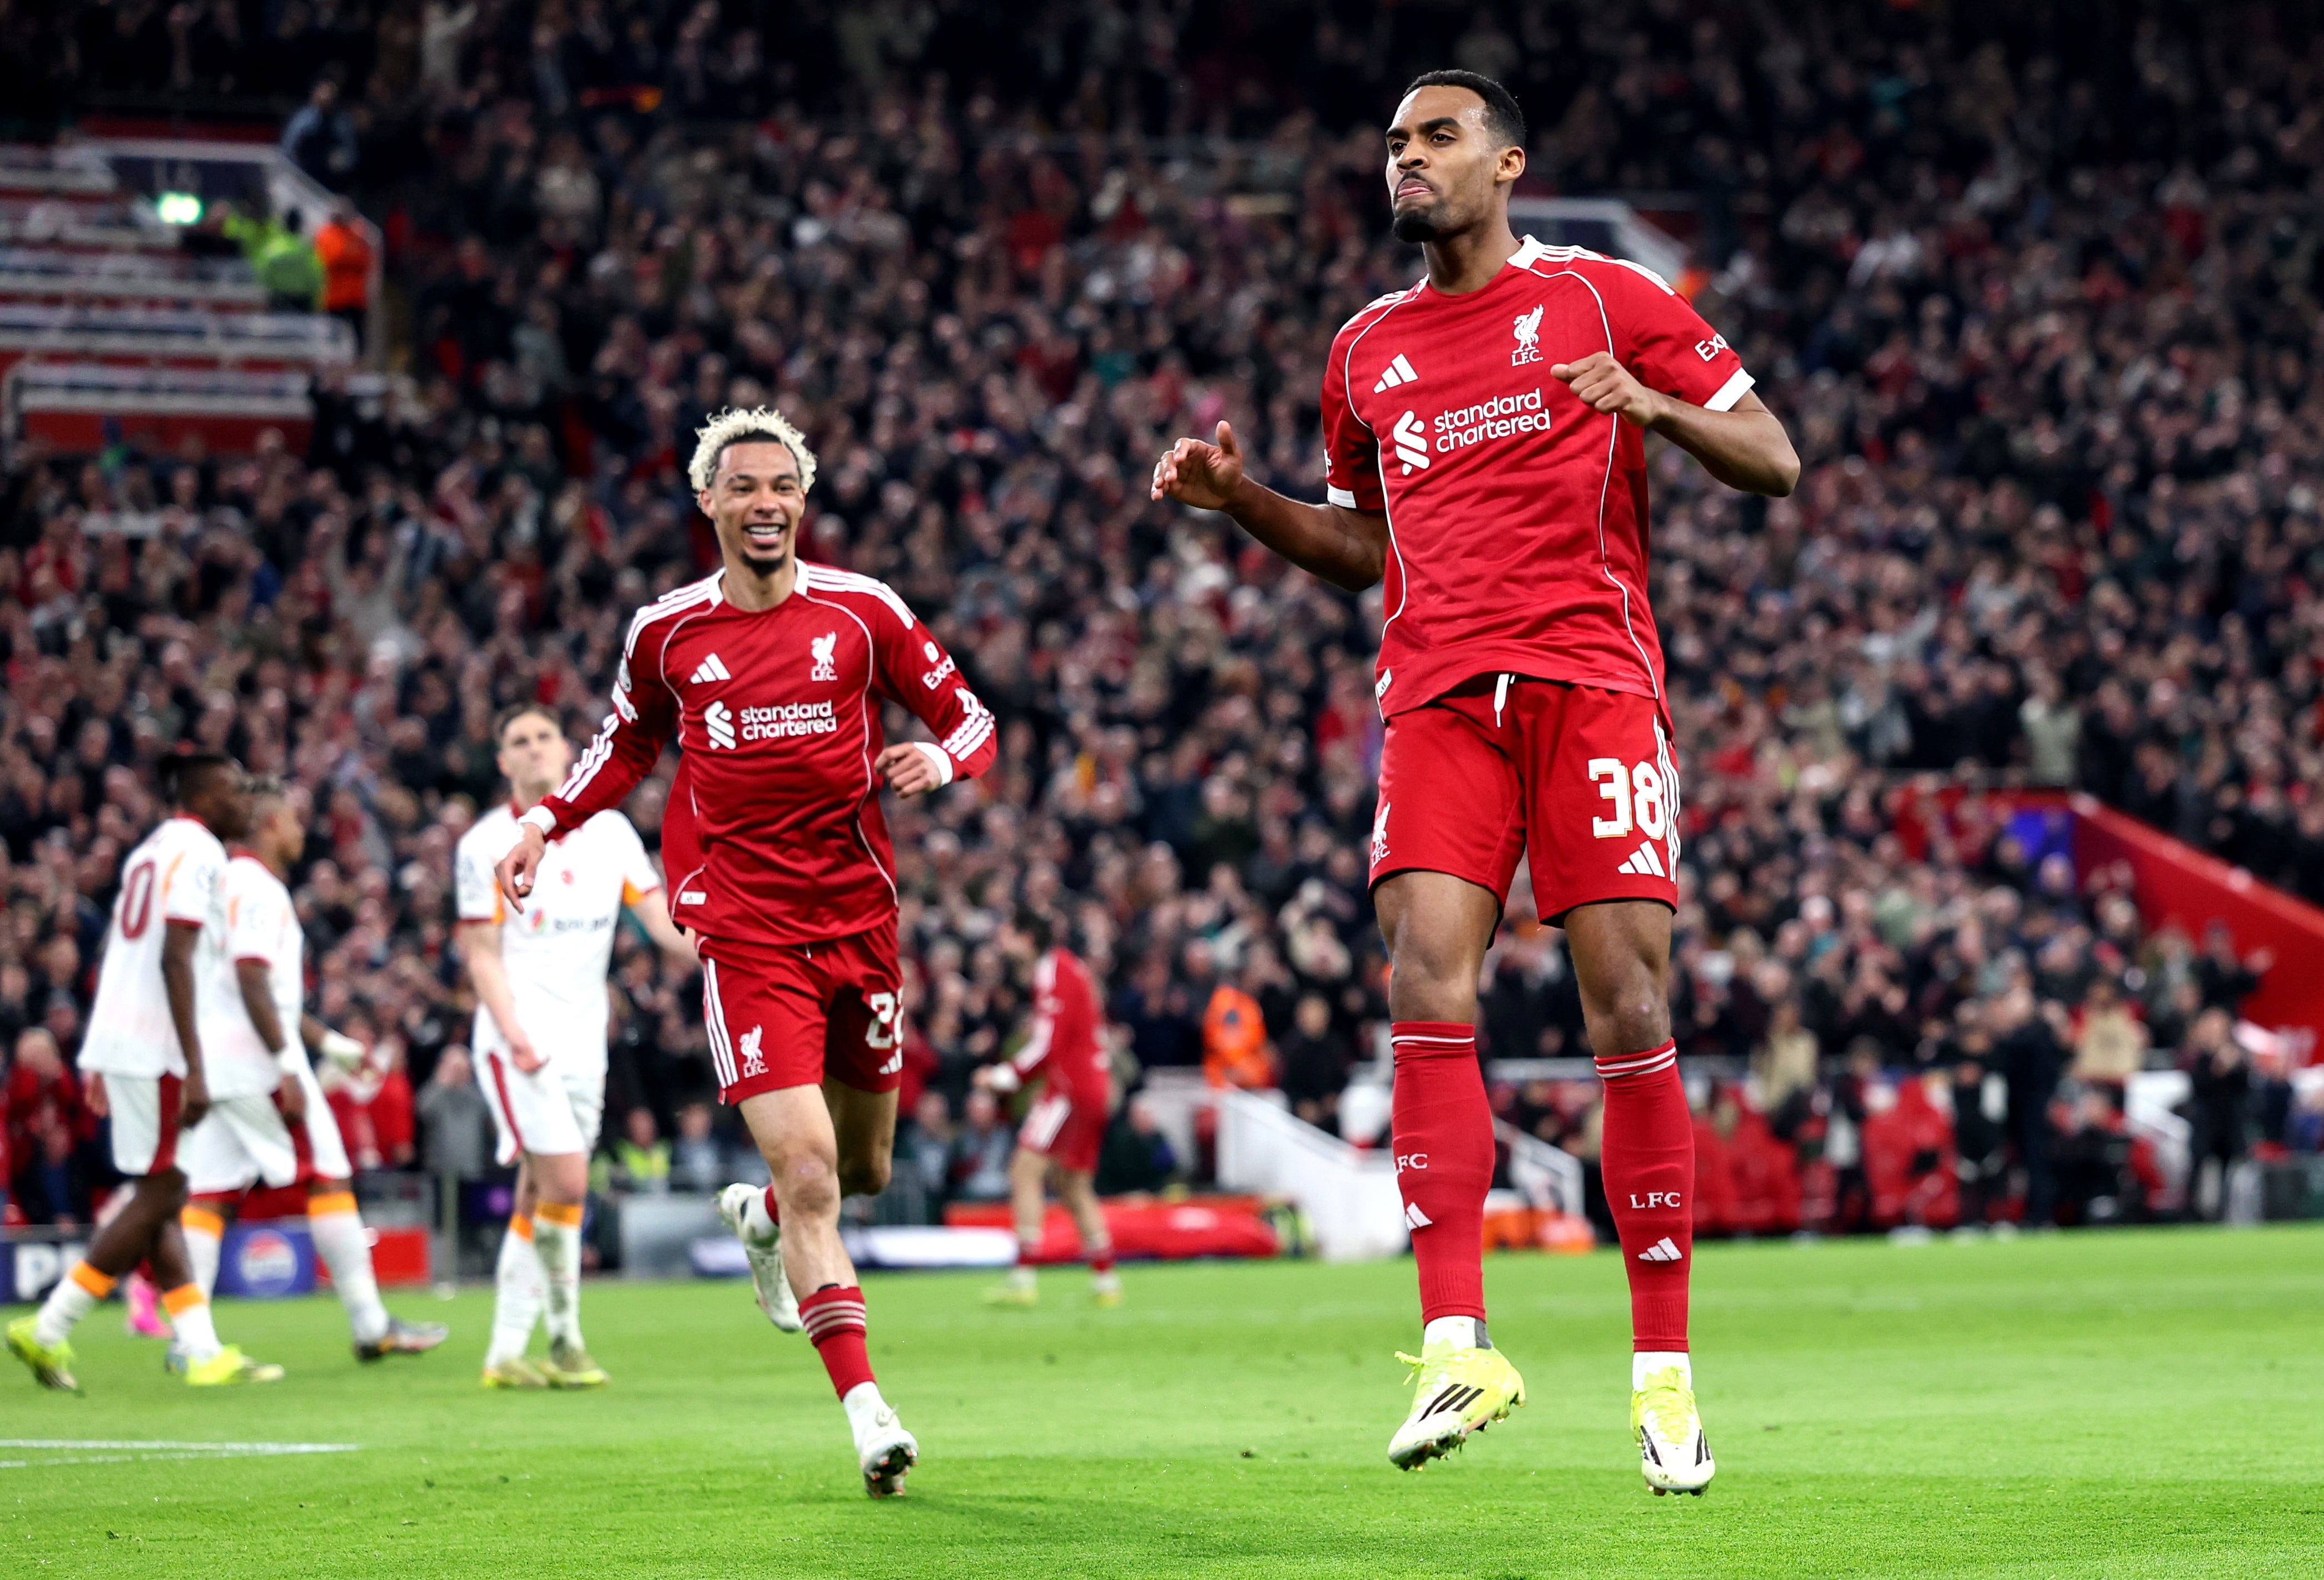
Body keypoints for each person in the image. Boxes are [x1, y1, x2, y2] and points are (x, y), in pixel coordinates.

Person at [1152, 70, 1797, 1489]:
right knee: (1420, 973)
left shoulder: (1603, 300)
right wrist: (1240, 501)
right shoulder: (1364, 350)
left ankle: (1665, 1375)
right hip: (1440, 696)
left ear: (1508, 162)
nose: (1407, 160)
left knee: (1626, 998)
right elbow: (1361, 543)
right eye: (1393, 142)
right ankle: (1459, 1341)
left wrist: (1655, 410)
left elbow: (1775, 456)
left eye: (1436, 138)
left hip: (1596, 686)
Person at [493, 406, 996, 1497]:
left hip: (860, 924)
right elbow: (621, 744)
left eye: (782, 486)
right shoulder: (666, 632)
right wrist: (546, 821)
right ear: (708, 502)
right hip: (744, 930)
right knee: (813, 1170)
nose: (764, 502)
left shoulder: (863, 613)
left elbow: (970, 718)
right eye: (743, 486)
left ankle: (759, 1219)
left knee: (857, 1170)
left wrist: (941, 766)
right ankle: (868, 1412)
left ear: (799, 503)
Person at [8, 754, 281, 1390]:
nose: (247, 799)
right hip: (155, 1049)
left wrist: (97, 1053)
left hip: (122, 1042)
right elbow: (175, 960)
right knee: (162, 1193)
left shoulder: (149, 851)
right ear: (206, 795)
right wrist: (192, 1065)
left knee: (162, 1191)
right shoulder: (201, 850)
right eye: (237, 788)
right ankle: (48, 1325)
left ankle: (200, 1345)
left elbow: (123, 954)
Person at [456, 702, 697, 1390]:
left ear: (568, 752)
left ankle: (504, 1354)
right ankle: (564, 1339)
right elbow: (481, 955)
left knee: (542, 1191)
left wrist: (723, 954)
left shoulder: (613, 833)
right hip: (518, 1038)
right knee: (566, 1182)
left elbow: (659, 922)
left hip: (585, 1042)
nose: (534, 749)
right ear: (503, 762)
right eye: (518, 741)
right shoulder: (484, 844)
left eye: (543, 737)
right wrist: (514, 1033)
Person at [174, 777, 449, 1365]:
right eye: (295, 822)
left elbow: (257, 991)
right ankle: (372, 1324)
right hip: (257, 1065)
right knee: (326, 1176)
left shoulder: (225, 881)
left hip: (220, 1059)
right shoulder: (256, 886)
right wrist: (286, 1065)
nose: (303, 833)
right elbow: (251, 979)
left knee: (211, 1194)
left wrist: (329, 1042)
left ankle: (188, 1337)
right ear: (272, 825)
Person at [977, 909, 1120, 1309]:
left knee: (1024, 1169)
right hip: (1094, 1083)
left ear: (1027, 938)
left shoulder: (1051, 970)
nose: (1003, 943)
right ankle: (1106, 1281)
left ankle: (1023, 1278)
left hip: (1069, 1088)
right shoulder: (1070, 968)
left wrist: (1005, 1075)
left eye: (1008, 934)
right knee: (1073, 1184)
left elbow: (1048, 1043)